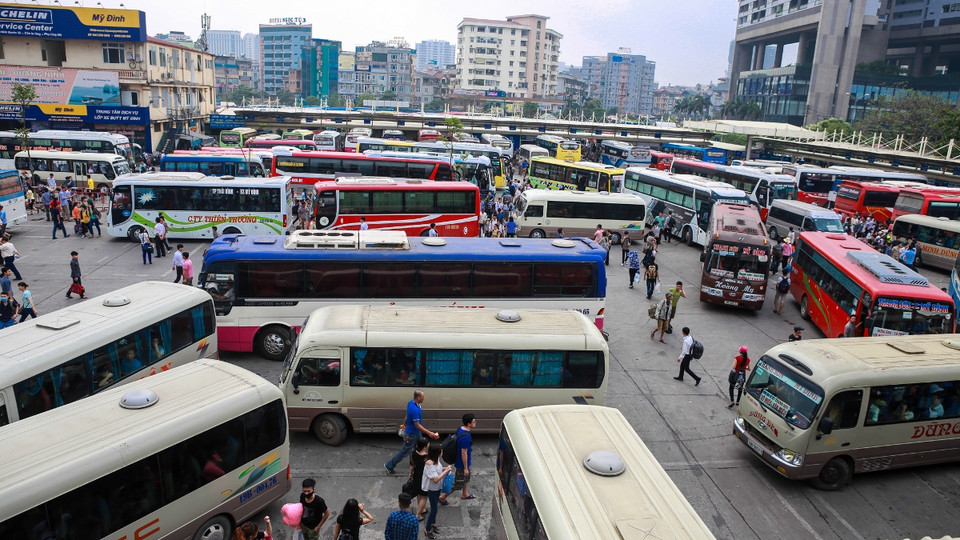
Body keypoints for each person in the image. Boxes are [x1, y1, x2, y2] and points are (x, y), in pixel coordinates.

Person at [385, 389, 440, 474]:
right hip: (411, 434)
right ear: (418, 398)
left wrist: (404, 425)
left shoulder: (411, 403)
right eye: (423, 397)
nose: (424, 398)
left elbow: (407, 416)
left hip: (416, 432)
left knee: (421, 447)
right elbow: (417, 425)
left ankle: (418, 463)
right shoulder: (415, 409)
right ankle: (390, 465)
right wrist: (429, 433)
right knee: (405, 451)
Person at [440, 413, 476, 504]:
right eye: (473, 421)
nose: (475, 422)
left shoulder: (461, 429)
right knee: (457, 483)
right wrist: (465, 468)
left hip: (462, 461)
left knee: (466, 478)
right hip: (462, 463)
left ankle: (465, 493)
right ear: (468, 424)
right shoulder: (465, 438)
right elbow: (464, 453)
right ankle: (442, 497)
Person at [409, 438, 429, 520]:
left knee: (419, 493)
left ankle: (421, 509)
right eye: (427, 443)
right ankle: (418, 514)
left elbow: (412, 464)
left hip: (416, 475)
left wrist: (410, 473)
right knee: (424, 496)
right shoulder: (426, 457)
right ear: (424, 447)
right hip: (424, 478)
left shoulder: (414, 452)